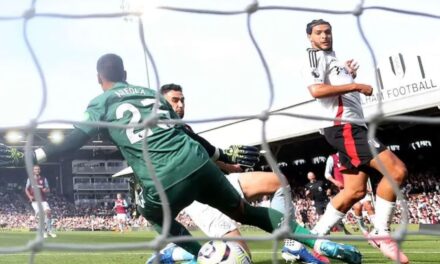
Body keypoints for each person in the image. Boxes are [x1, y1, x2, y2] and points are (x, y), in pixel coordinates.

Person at [0, 53, 362, 264]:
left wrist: (35, 153)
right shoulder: (151, 95)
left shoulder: (102, 103)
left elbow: (76, 138)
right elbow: (185, 134)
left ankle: (186, 255)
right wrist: (222, 155)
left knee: (149, 208)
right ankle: (314, 241)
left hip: (162, 179)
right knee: (245, 211)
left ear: (100, 79)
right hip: (198, 164)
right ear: (126, 74)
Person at [150, 83, 328, 263]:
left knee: (278, 181)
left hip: (217, 182)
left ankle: (290, 244)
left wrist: (230, 166)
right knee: (240, 256)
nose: (180, 105)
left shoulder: (183, 127)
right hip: (197, 196)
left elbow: (202, 154)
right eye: (175, 100)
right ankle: (173, 254)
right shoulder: (155, 133)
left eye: (182, 100)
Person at [303, 19, 409, 263]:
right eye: (318, 33)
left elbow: (334, 87)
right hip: (344, 127)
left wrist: (347, 74)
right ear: (310, 37)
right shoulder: (313, 56)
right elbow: (316, 90)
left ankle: (314, 238)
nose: (324, 36)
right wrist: (356, 85)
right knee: (397, 171)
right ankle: (381, 232)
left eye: (328, 32)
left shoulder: (334, 60)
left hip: (351, 126)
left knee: (355, 191)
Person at [25, 165, 57, 238]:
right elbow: (26, 189)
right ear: (33, 171)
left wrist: (46, 190)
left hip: (43, 200)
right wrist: (29, 196)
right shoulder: (30, 179)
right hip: (35, 201)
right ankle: (43, 231)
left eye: (38, 169)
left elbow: (48, 189)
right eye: (35, 169)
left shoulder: (44, 179)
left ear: (40, 170)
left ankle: (49, 231)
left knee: (48, 213)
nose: (37, 170)